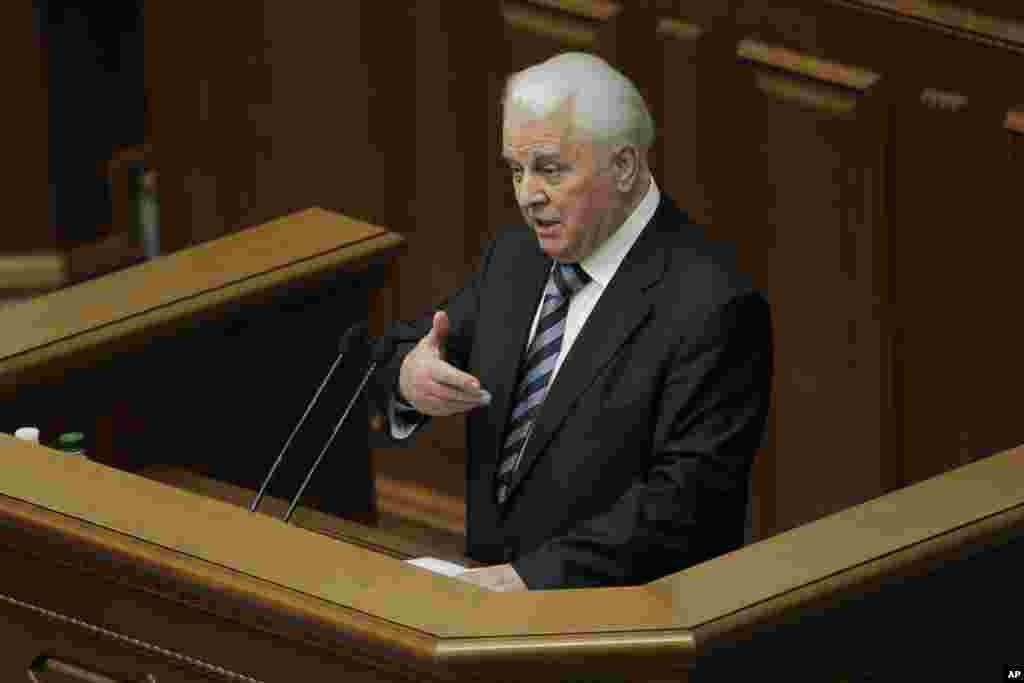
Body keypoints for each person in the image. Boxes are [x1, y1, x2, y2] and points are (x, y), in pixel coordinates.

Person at [370, 52, 773, 591]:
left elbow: (685, 506)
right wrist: (410, 378)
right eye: (516, 170)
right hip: (480, 616)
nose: (527, 195)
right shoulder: (515, 257)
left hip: (618, 631)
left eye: (550, 169)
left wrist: (527, 581)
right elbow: (417, 345)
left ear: (625, 166)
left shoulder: (712, 305)